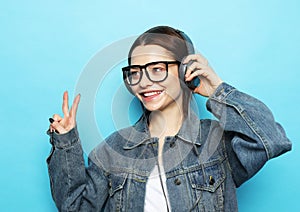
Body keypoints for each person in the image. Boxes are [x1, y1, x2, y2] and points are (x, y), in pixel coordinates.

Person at [47, 26, 291, 211]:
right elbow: (75, 206)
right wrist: (66, 143)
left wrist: (218, 90)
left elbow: (270, 140)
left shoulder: (215, 141)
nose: (143, 82)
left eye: (157, 69)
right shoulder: (113, 150)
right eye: (135, 72)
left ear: (186, 70)